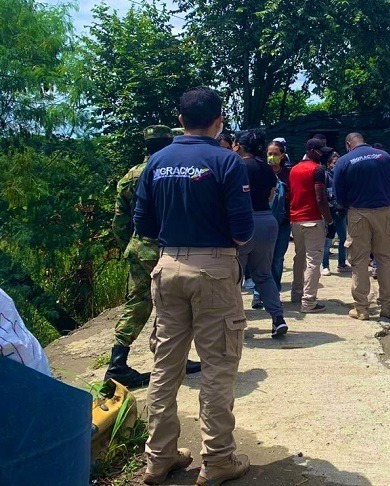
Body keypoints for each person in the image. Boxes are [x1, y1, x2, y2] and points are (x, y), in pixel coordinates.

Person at [134, 87, 253, 485]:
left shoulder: (157, 162)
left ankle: (158, 458)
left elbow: (144, 226)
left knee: (165, 367)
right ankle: (218, 460)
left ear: (180, 120)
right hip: (214, 269)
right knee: (218, 367)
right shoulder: (226, 161)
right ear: (219, 120)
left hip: (167, 268)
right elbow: (242, 231)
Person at [106, 125, 201, 390]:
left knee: (137, 303)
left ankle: (117, 362)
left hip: (138, 248)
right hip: (166, 249)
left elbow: (120, 219)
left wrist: (130, 245)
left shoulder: (130, 175)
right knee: (174, 307)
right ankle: (173, 360)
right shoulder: (171, 171)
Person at [333, 133, 390, 321]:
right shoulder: (384, 157)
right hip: (383, 213)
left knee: (359, 261)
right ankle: (386, 306)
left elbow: (339, 193)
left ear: (348, 144)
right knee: (384, 259)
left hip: (358, 214)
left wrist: (348, 205)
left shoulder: (344, 161)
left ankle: (361, 308)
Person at [233, 130, 288, 338]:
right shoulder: (268, 169)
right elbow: (272, 195)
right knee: (264, 275)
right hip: (267, 220)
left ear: (239, 145)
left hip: (244, 222)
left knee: (234, 278)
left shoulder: (237, 166)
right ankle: (278, 318)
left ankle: (236, 322)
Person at [288, 138, 334, 313]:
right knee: (313, 260)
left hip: (295, 219)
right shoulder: (317, 169)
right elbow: (320, 198)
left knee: (299, 257)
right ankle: (308, 302)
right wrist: (329, 220)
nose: (323, 154)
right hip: (313, 219)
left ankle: (296, 293)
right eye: (321, 151)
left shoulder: (293, 170)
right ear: (312, 151)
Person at [267, 139, 293, 291]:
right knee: (263, 257)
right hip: (265, 221)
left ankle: (274, 289)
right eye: (269, 154)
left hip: (283, 222)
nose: (272, 157)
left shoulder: (289, 174)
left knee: (277, 257)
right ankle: (260, 291)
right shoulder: (262, 171)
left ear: (282, 155)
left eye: (275, 154)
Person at [321, 151, 349, 275]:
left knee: (343, 239)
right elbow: (323, 194)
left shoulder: (343, 177)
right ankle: (325, 266)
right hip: (329, 212)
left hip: (341, 213)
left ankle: (341, 264)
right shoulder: (326, 176)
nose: (336, 165)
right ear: (329, 164)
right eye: (334, 163)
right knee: (327, 240)